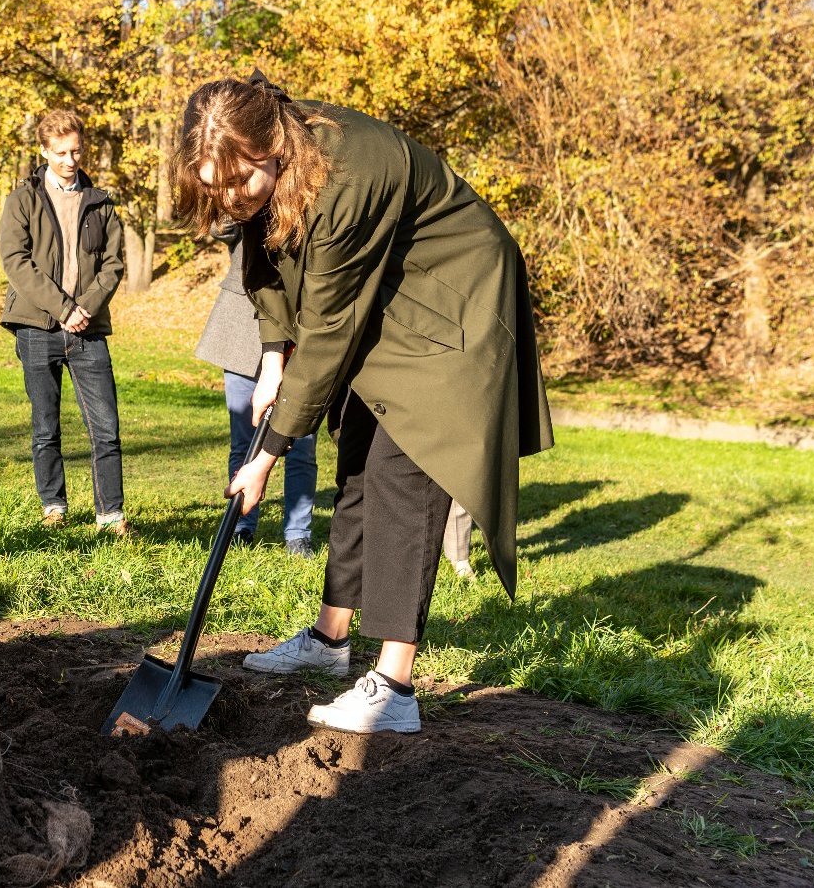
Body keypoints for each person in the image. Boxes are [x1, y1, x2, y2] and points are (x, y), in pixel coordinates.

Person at [173, 74, 553, 734]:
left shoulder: (344, 178)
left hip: (451, 301)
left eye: (238, 184)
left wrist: (265, 456)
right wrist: (269, 360)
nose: (229, 201)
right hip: (385, 302)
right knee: (355, 467)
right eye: (214, 188)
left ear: (271, 149)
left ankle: (394, 685)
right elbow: (265, 267)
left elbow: (324, 333)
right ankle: (330, 641)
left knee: (403, 474)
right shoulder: (268, 176)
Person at [0, 109, 130, 536]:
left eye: (76, 151)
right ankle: (53, 507)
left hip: (88, 330)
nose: (70, 160)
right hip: (37, 327)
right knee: (45, 426)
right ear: (43, 150)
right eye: (60, 152)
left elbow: (114, 264)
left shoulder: (102, 201)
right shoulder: (23, 198)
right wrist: (62, 307)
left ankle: (110, 515)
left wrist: (85, 308)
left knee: (106, 429)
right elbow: (15, 262)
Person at [195, 222, 319, 556]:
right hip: (241, 336)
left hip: (298, 339)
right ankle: (241, 526)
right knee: (243, 442)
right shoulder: (248, 200)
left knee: (301, 446)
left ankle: (298, 534)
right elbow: (220, 226)